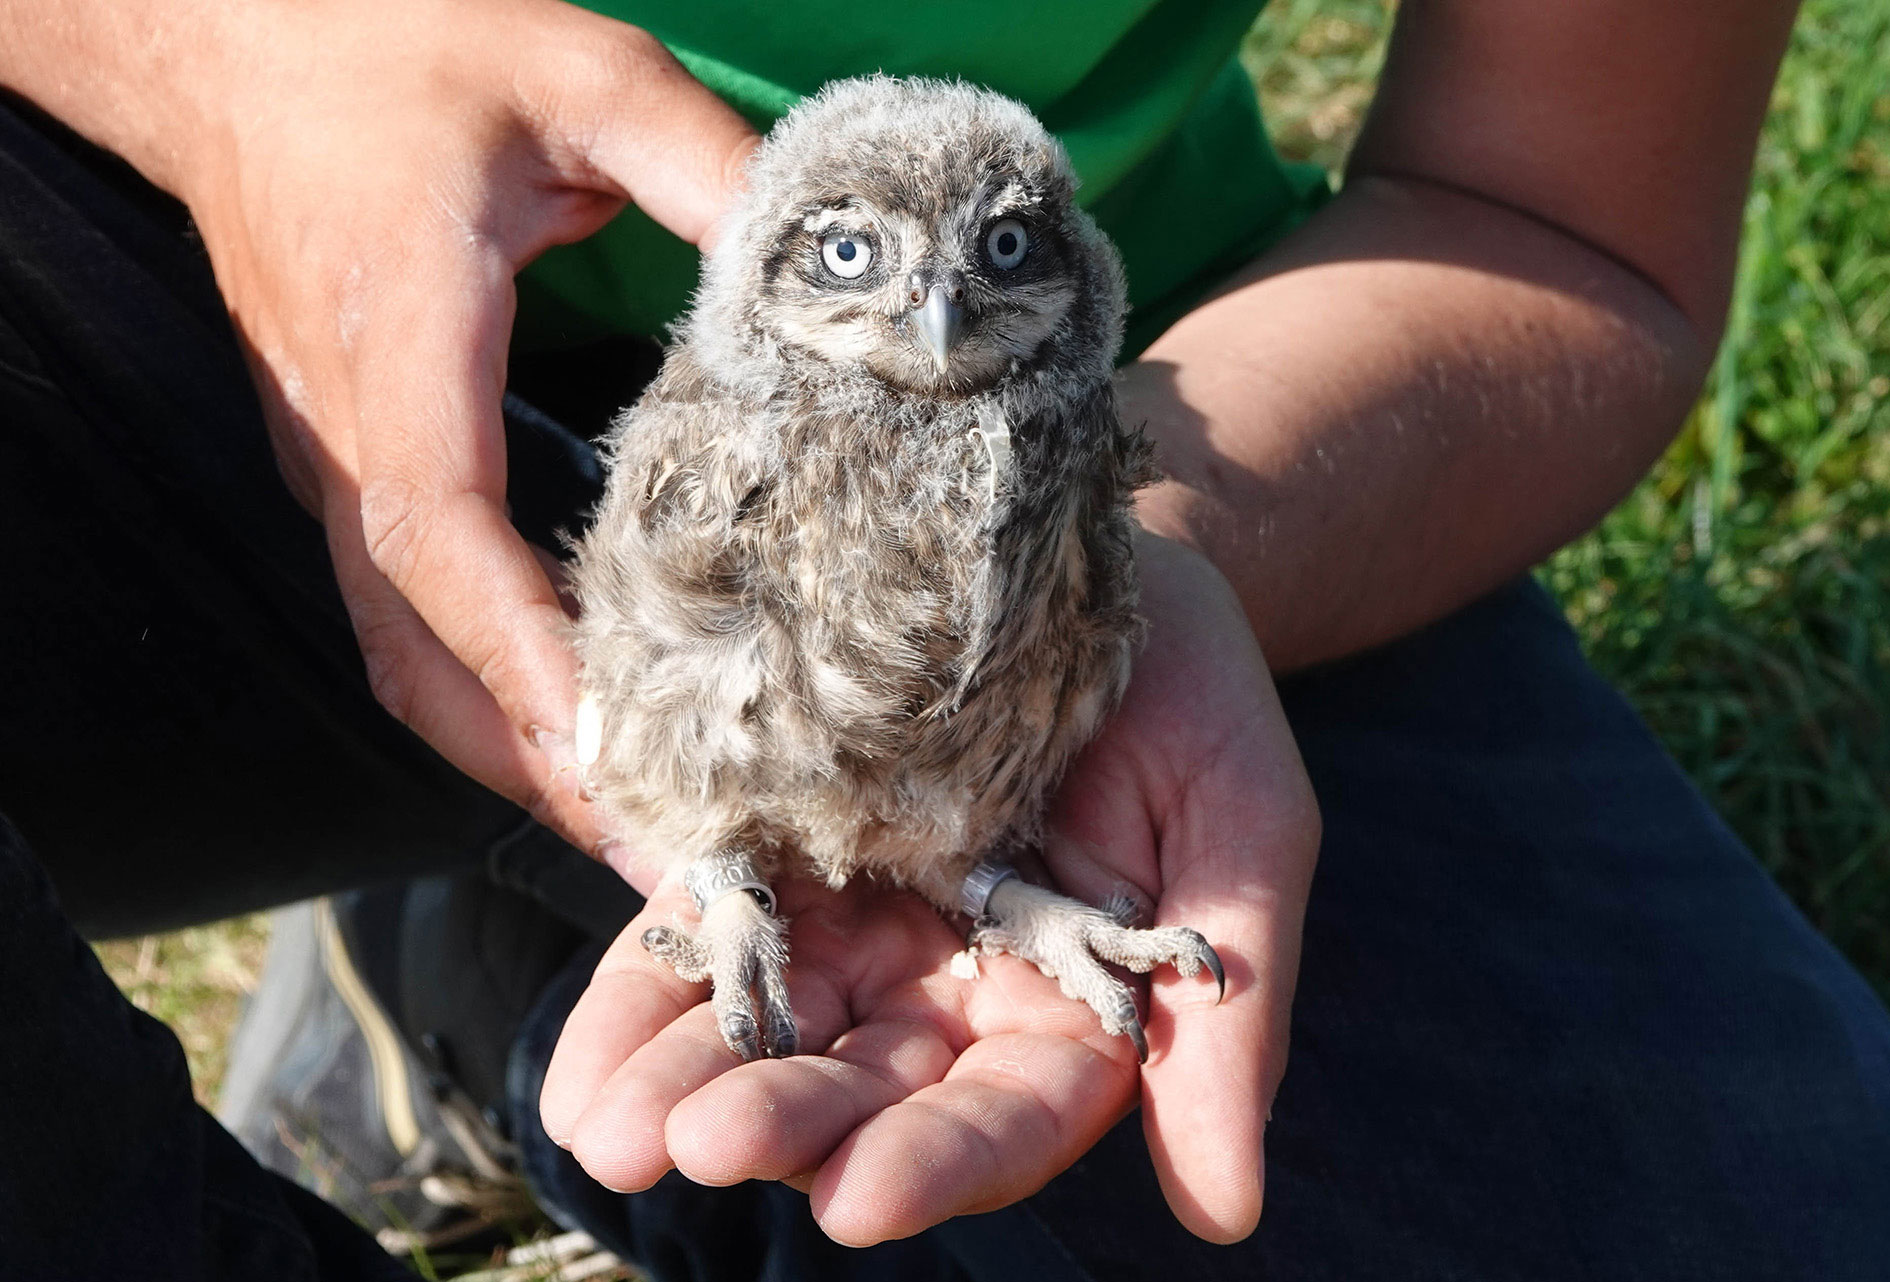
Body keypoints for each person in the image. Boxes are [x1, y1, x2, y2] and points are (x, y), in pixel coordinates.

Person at [1, 0, 1885, 1278]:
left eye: (981, 260)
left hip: (1210, 408)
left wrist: (1151, 554)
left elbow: (1563, 221)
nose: (917, 312)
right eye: (855, 264)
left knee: (1756, 1226)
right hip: (142, 293)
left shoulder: (1078, 426)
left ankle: (494, 960)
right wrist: (229, 63)